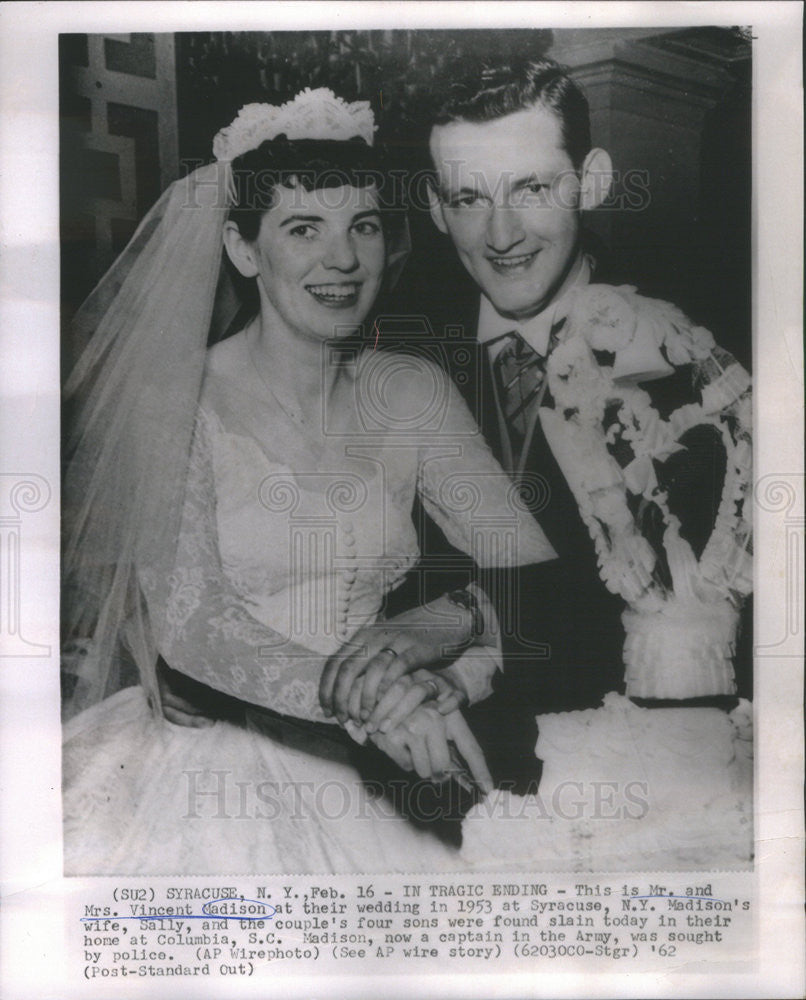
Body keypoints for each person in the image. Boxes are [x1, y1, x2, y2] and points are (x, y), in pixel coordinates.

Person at [61, 89, 555, 875]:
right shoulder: (180, 398)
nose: (343, 260)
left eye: (362, 225)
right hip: (218, 772)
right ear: (243, 247)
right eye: (303, 229)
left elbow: (538, 583)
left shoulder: (413, 390)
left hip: (390, 757)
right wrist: (372, 701)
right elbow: (197, 624)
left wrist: (450, 666)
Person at [326, 58, 753, 776]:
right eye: (467, 199)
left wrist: (463, 634)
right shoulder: (393, 345)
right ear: (434, 208)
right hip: (407, 764)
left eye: (530, 187)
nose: (501, 235)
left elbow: (648, 604)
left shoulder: (686, 358)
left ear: (591, 181)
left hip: (609, 770)